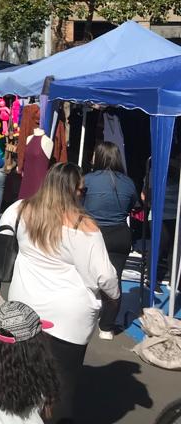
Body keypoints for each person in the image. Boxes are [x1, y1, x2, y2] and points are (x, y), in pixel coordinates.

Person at [1, 163, 118, 423]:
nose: (83, 194)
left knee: (17, 379)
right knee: (60, 388)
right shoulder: (84, 226)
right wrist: (115, 296)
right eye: (82, 189)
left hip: (22, 307)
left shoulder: (20, 209)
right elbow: (105, 276)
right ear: (72, 191)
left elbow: (2, 231)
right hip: (66, 318)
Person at [82, 141, 138, 339]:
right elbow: (135, 206)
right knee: (115, 279)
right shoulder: (128, 183)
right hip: (119, 235)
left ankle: (86, 317)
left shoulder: (87, 180)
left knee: (84, 276)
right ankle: (106, 326)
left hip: (91, 233)